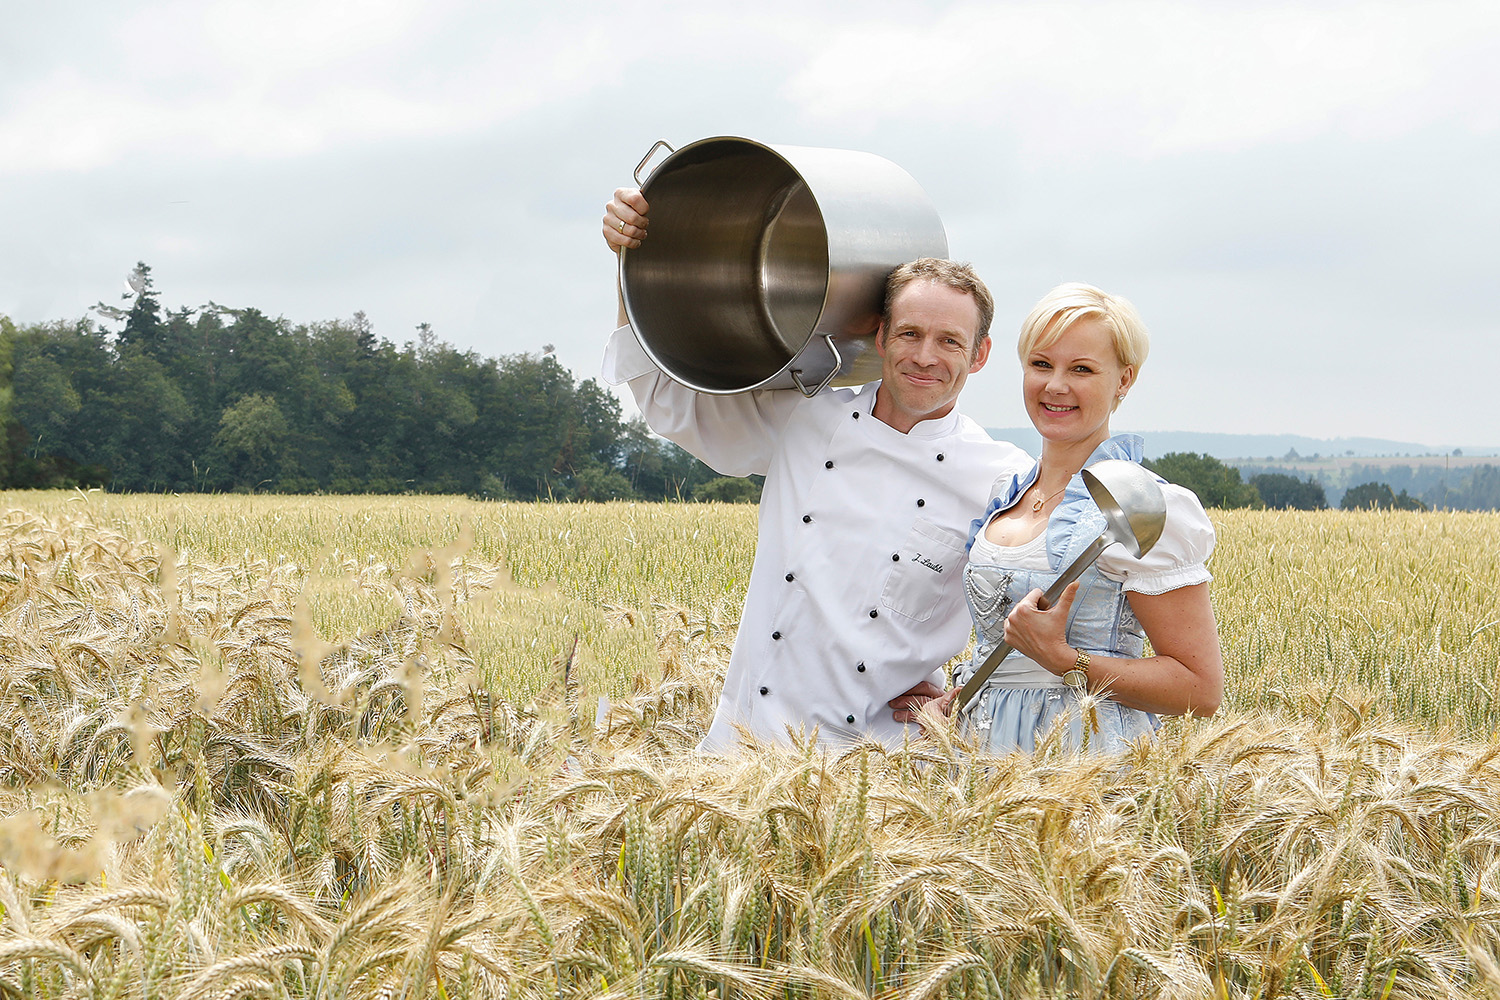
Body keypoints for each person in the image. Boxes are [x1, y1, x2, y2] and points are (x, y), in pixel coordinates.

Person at [603, 188, 1031, 753]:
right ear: (880, 337)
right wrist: (631, 262)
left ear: (979, 355)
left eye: (949, 341)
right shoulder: (805, 418)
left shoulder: (1004, 479)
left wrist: (968, 692)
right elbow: (669, 400)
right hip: (740, 749)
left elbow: (1052, 611)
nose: (925, 356)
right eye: (909, 333)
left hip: (880, 769)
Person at [889, 282, 1223, 753]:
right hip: (981, 760)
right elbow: (1004, 658)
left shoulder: (1143, 506)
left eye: (1082, 369)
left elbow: (1200, 689)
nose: (1055, 386)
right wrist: (959, 699)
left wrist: (1065, 660)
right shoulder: (1006, 494)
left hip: (1082, 761)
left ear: (1124, 380)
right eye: (1041, 364)